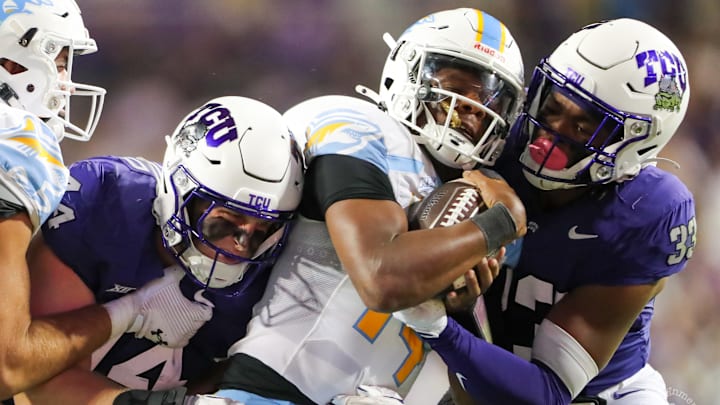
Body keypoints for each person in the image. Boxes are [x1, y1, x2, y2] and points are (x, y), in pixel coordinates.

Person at [193, 8, 527, 405]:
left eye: (490, 96)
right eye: (456, 83)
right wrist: (501, 221)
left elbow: (472, 390)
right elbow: (381, 279)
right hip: (271, 392)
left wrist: (460, 313)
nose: (473, 106)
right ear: (408, 71)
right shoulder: (362, 129)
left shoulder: (478, 191)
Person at [394, 18, 695, 404]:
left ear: (635, 142)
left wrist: (437, 327)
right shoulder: (498, 139)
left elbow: (549, 393)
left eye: (585, 126)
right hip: (484, 372)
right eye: (552, 106)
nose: (552, 131)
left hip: (600, 396)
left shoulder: (649, 211)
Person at [15, 96, 305, 404]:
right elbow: (31, 382)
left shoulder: (279, 275)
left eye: (262, 230)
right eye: (224, 222)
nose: (240, 247)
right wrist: (129, 311)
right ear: (178, 189)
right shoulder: (106, 204)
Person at [0, 1, 212, 400]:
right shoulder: (13, 145)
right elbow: (7, 367)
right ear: (11, 64)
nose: (65, 82)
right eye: (60, 62)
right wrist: (129, 311)